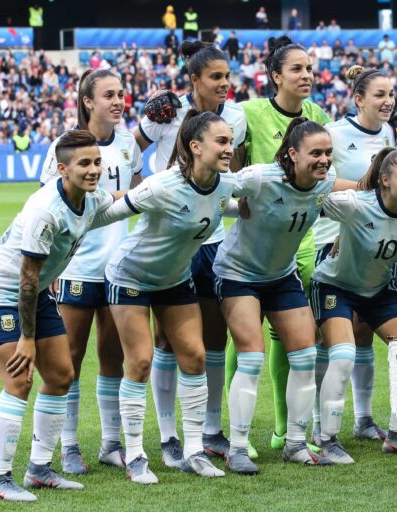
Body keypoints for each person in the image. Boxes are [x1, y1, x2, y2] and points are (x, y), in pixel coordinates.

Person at [0, 130, 117, 502]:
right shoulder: (44, 210)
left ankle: (39, 470)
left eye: (97, 161)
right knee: (19, 380)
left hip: (33, 296)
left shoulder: (88, 197)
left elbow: (116, 200)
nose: (94, 169)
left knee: (62, 376)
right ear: (62, 169)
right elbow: (28, 278)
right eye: (84, 163)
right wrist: (27, 339)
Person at [104, 111, 238, 483]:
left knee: (194, 356)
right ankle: (134, 455)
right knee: (141, 362)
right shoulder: (162, 185)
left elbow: (235, 204)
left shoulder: (225, 185)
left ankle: (193, 450)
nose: (230, 149)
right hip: (130, 276)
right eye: (222, 142)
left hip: (174, 280)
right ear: (195, 147)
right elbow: (108, 213)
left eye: (231, 142)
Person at [214, 118, 354, 474]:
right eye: (315, 153)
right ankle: (238, 447)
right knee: (252, 357)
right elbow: (215, 186)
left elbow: (343, 193)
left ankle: (294, 443)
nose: (323, 160)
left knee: (305, 355)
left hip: (281, 276)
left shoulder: (323, 183)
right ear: (292, 154)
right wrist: (234, 207)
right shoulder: (261, 177)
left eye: (328, 153)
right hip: (238, 274)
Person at [134, 41, 246, 466]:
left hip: (213, 239)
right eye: (215, 77)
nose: (224, 84)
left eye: (227, 77)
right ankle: (168, 436)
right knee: (166, 340)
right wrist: (153, 187)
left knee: (212, 339)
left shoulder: (235, 117)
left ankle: (210, 430)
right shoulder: (165, 111)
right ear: (194, 79)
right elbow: (129, 151)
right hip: (171, 238)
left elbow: (238, 168)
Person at [39, 69, 143, 475]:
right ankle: (69, 446)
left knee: (112, 357)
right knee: (71, 356)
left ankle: (111, 443)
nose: (118, 101)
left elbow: (137, 195)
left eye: (121, 94)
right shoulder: (63, 147)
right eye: (109, 95)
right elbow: (47, 203)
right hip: (78, 265)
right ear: (87, 102)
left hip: (119, 267)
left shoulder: (129, 145)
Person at [232, 36, 331, 453]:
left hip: (302, 242)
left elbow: (325, 177)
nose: (306, 75)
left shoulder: (317, 114)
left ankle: (283, 429)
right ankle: (239, 434)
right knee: (247, 338)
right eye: (297, 69)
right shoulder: (249, 113)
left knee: (292, 339)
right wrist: (241, 204)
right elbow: (233, 163)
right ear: (275, 77)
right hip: (255, 246)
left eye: (309, 69)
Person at [311, 64, 397, 446]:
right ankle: (322, 423)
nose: (388, 102)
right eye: (380, 95)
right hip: (331, 241)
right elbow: (317, 179)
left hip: (373, 246)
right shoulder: (335, 134)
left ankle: (365, 419)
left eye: (391, 95)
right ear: (358, 99)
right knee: (332, 340)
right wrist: (366, 187)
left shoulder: (392, 135)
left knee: (365, 334)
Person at [313, 147, 397, 464]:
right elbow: (309, 198)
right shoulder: (354, 204)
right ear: (384, 181)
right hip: (334, 286)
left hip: (378, 291)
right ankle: (327, 439)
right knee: (343, 356)